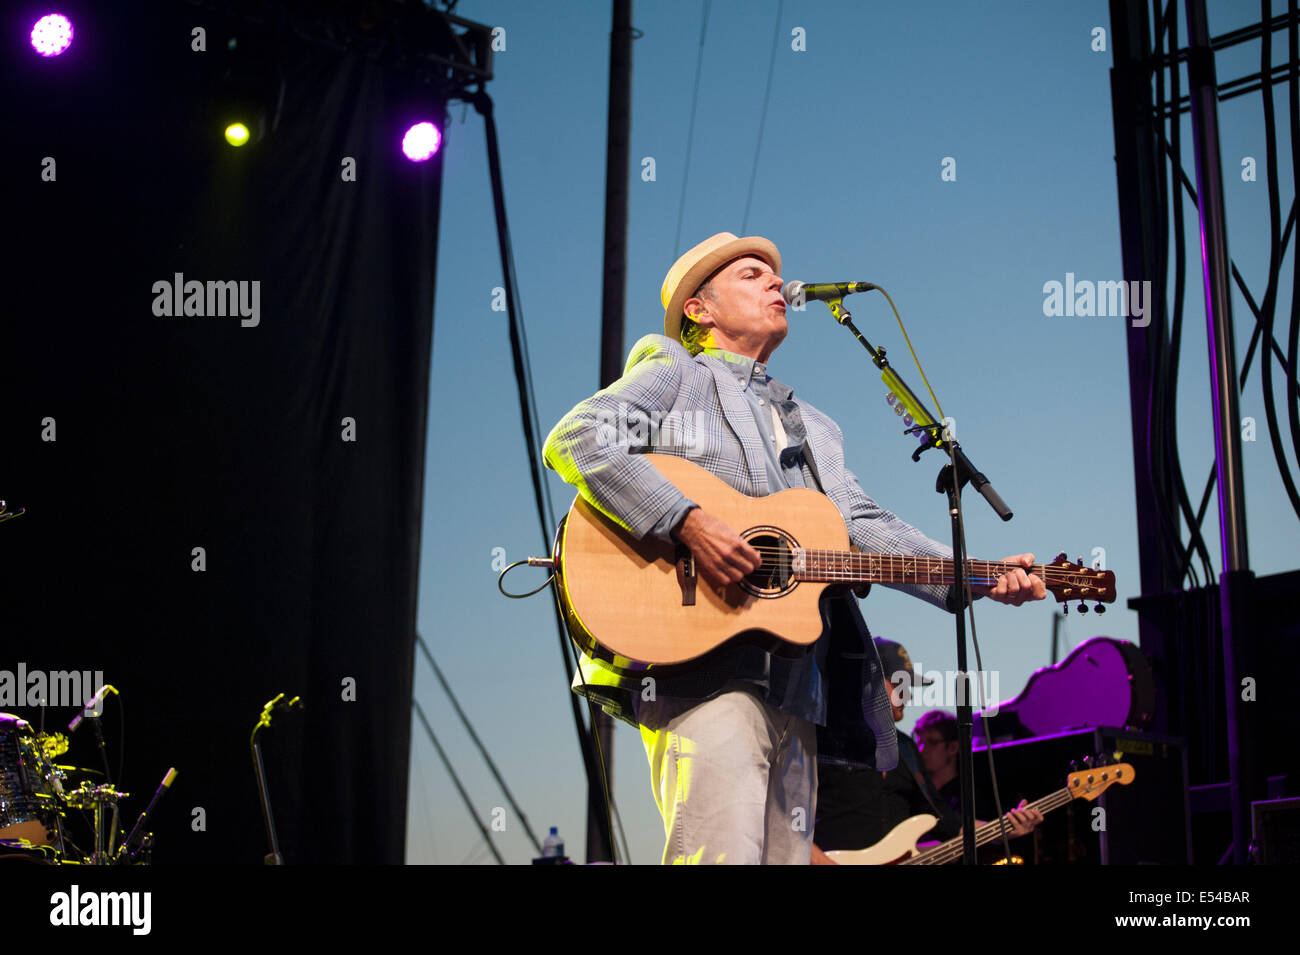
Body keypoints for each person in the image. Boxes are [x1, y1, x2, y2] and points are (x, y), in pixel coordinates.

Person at [543, 232, 1045, 865]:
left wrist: (974, 574)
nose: (775, 284)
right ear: (700, 309)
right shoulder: (673, 373)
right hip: (701, 672)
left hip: (798, 688)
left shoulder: (810, 421)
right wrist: (687, 520)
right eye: (752, 275)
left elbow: (857, 523)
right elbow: (580, 438)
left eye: (773, 275)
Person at [811, 640, 1042, 864]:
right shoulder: (820, 739)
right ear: (870, 681)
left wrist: (1005, 829)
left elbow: (946, 823)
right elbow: (783, 814)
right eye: (899, 685)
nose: (908, 695)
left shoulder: (906, 748)